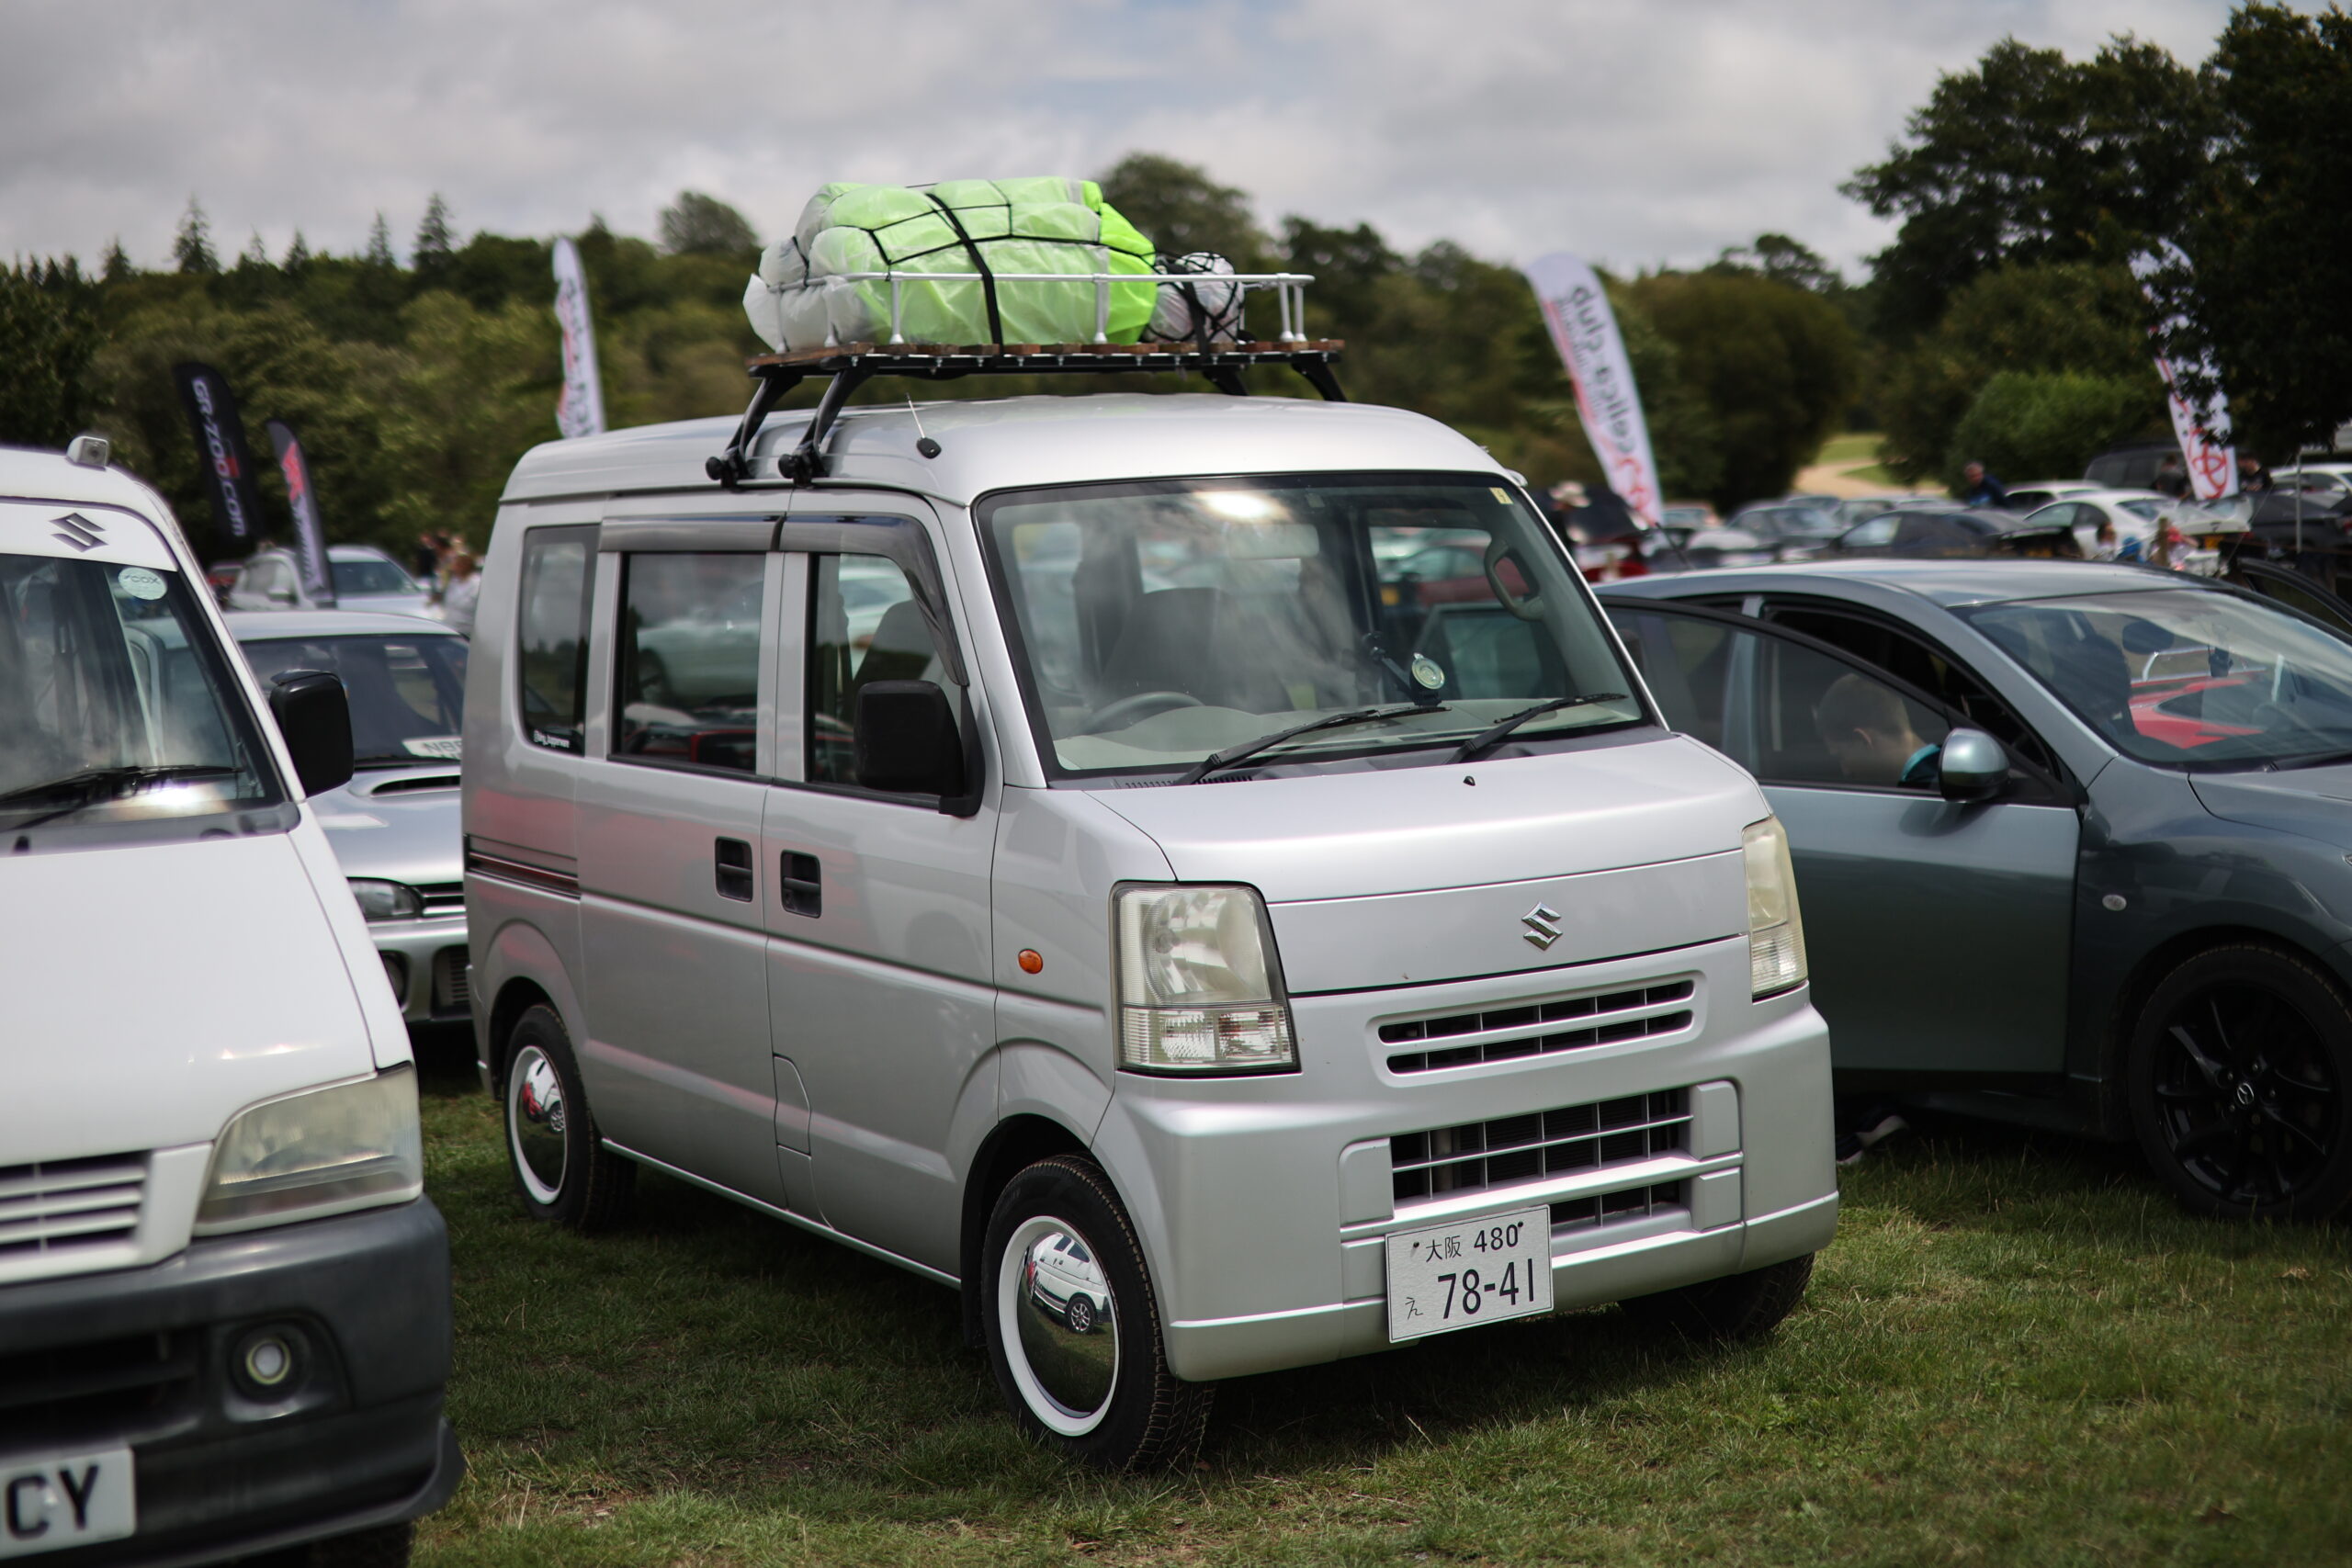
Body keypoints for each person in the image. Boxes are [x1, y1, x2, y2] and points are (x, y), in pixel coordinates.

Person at [1815, 671, 1941, 787]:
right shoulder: (1943, 773)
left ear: (1863, 740)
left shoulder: (1922, 792)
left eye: (1841, 756)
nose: (1845, 771)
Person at [438, 547, 481, 636]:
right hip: (449, 630)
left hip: (467, 633)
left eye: (457, 564)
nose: (453, 567)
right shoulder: (453, 582)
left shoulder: (478, 584)